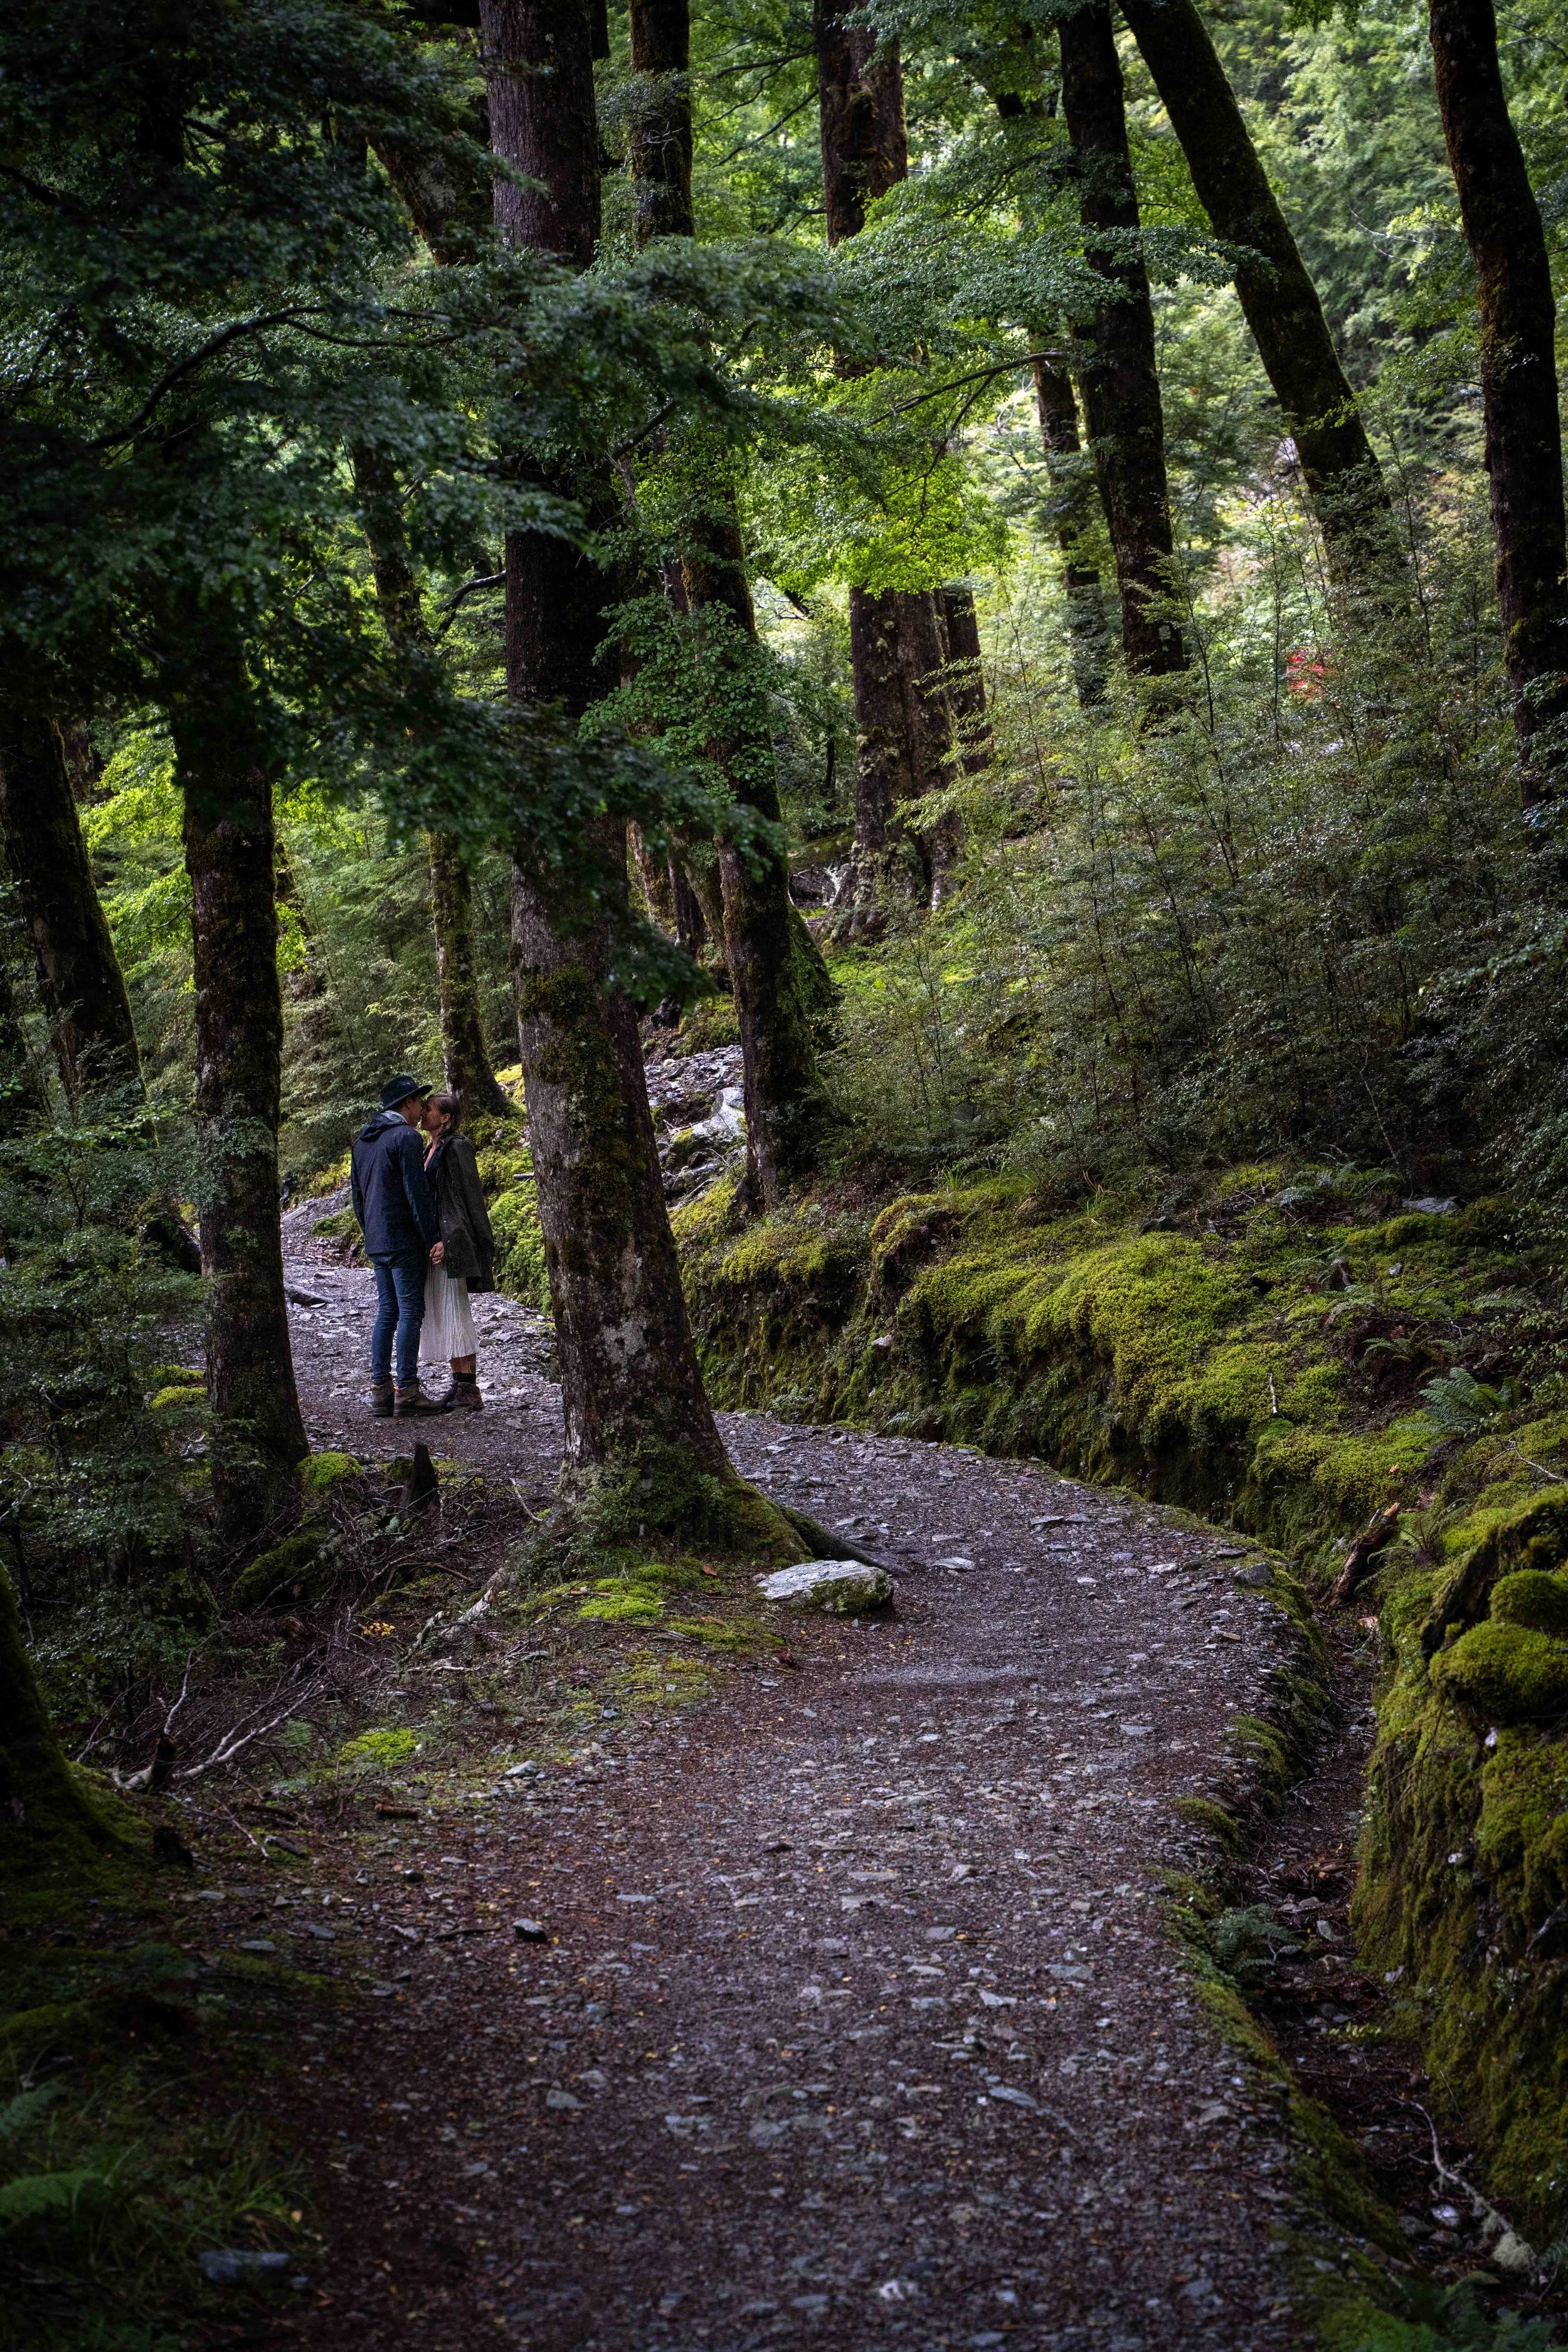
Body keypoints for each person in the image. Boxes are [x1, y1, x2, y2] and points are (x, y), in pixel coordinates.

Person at [349, 1074, 444, 1417]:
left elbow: (358, 1198)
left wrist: (370, 1233)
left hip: (377, 1239)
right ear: (406, 1104)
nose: (422, 1109)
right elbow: (416, 1193)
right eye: (419, 1102)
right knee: (409, 1311)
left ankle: (380, 1390)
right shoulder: (406, 1138)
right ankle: (407, 1390)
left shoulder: (362, 1141)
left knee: (387, 1311)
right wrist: (432, 1237)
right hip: (404, 1239)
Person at [419, 1089, 496, 1412]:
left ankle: (469, 1390)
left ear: (446, 1117)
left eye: (429, 1109)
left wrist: (451, 1242)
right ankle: (460, 1385)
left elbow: (466, 1200)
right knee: (443, 1310)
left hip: (452, 1243)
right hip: (436, 1243)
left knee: (456, 1309)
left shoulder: (458, 1147)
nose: (423, 1113)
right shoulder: (430, 1148)